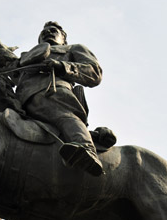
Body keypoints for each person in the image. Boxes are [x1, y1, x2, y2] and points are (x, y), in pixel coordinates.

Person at [15, 21, 104, 176]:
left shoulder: (73, 49)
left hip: (52, 92)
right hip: (20, 102)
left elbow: (94, 72)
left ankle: (85, 149)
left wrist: (62, 66)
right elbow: (5, 68)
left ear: (64, 38)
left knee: (61, 113)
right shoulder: (28, 56)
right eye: (44, 32)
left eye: (54, 30)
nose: (48, 33)